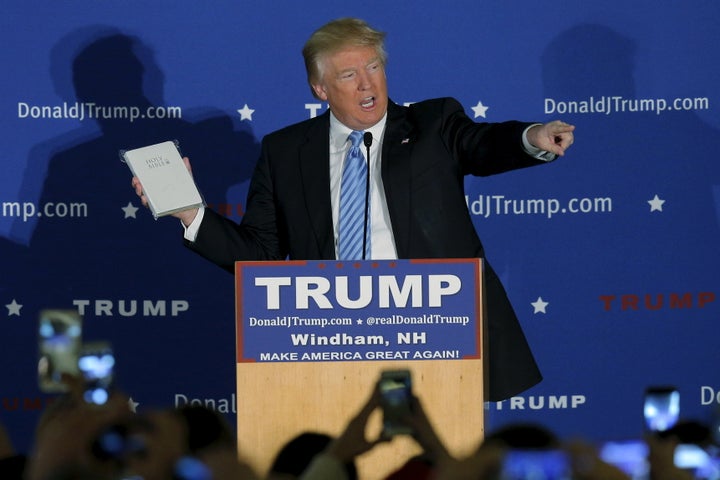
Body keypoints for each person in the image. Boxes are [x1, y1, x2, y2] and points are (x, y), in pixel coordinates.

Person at [132, 17, 575, 401]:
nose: (368, 83)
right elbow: (260, 256)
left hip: (434, 328)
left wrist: (530, 138)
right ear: (320, 88)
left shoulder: (433, 125)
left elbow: (483, 145)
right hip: (330, 337)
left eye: (375, 67)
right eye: (349, 75)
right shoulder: (286, 152)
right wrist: (191, 213)